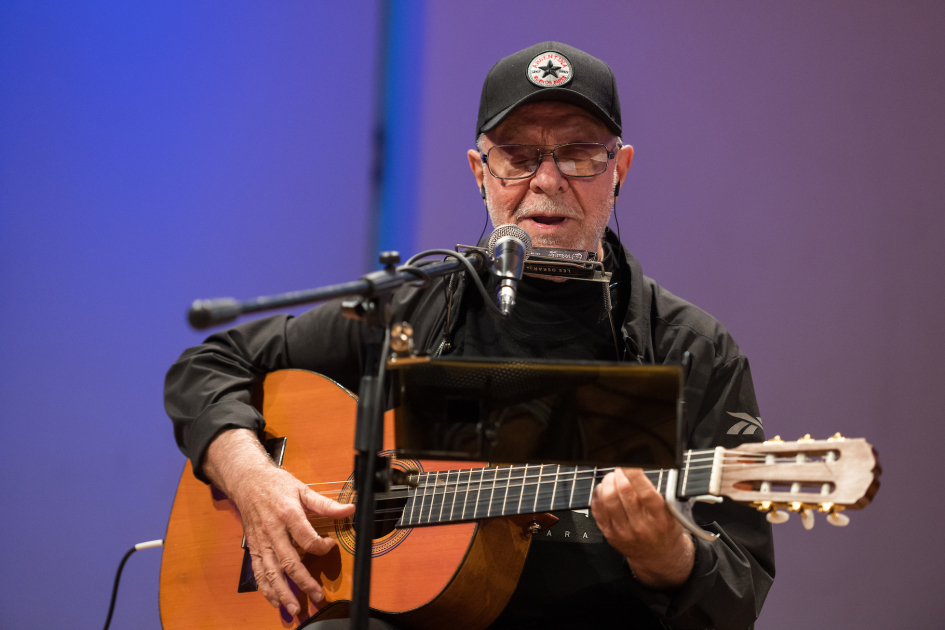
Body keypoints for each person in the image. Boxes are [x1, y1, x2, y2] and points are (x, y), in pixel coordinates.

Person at [165, 42, 775, 629]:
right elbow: (210, 364)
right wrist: (250, 477)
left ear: (620, 170)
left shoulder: (692, 349)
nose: (547, 180)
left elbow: (738, 595)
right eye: (517, 155)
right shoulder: (407, 309)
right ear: (479, 171)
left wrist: (670, 558)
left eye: (580, 152)